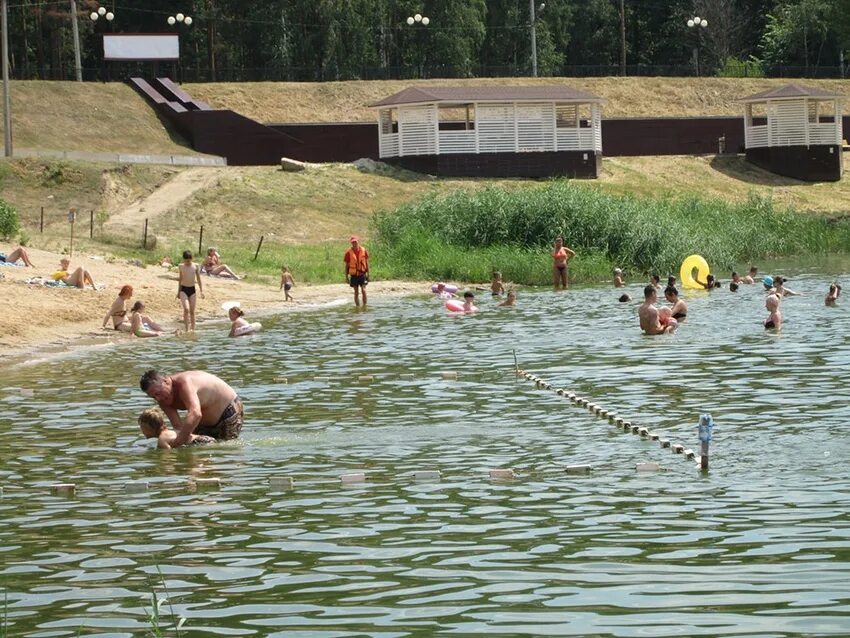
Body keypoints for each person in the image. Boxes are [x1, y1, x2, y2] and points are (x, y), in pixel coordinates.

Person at [140, 369, 243, 445]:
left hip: (228, 411)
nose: (158, 399)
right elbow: (177, 426)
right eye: (153, 396)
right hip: (202, 421)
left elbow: (195, 414)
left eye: (158, 393)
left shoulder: (185, 383)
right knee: (198, 447)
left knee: (225, 450)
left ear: (166, 381)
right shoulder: (162, 399)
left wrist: (178, 442)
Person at [138, 407, 216, 450]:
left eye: (142, 427)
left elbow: (169, 456)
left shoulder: (162, 439)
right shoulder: (170, 432)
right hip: (205, 439)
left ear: (149, 427)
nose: (142, 431)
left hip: (199, 443)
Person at [177, 250, 204, 332]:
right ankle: (186, 329)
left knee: (192, 311)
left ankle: (193, 329)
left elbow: (199, 279)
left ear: (191, 259)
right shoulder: (181, 266)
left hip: (192, 290)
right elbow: (180, 279)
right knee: (186, 309)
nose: (188, 262)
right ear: (183, 259)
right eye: (186, 261)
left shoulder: (195, 266)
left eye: (189, 261)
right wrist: (178, 291)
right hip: (183, 289)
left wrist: (201, 290)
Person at [344, 235, 369, 307]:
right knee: (356, 292)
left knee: (364, 290)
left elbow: (367, 263)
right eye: (353, 242)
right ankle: (357, 306)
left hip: (362, 274)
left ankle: (365, 306)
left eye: (355, 242)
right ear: (351, 243)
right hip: (354, 275)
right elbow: (347, 266)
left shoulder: (364, 250)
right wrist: (346, 277)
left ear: (358, 241)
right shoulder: (348, 253)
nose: (354, 243)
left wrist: (368, 274)